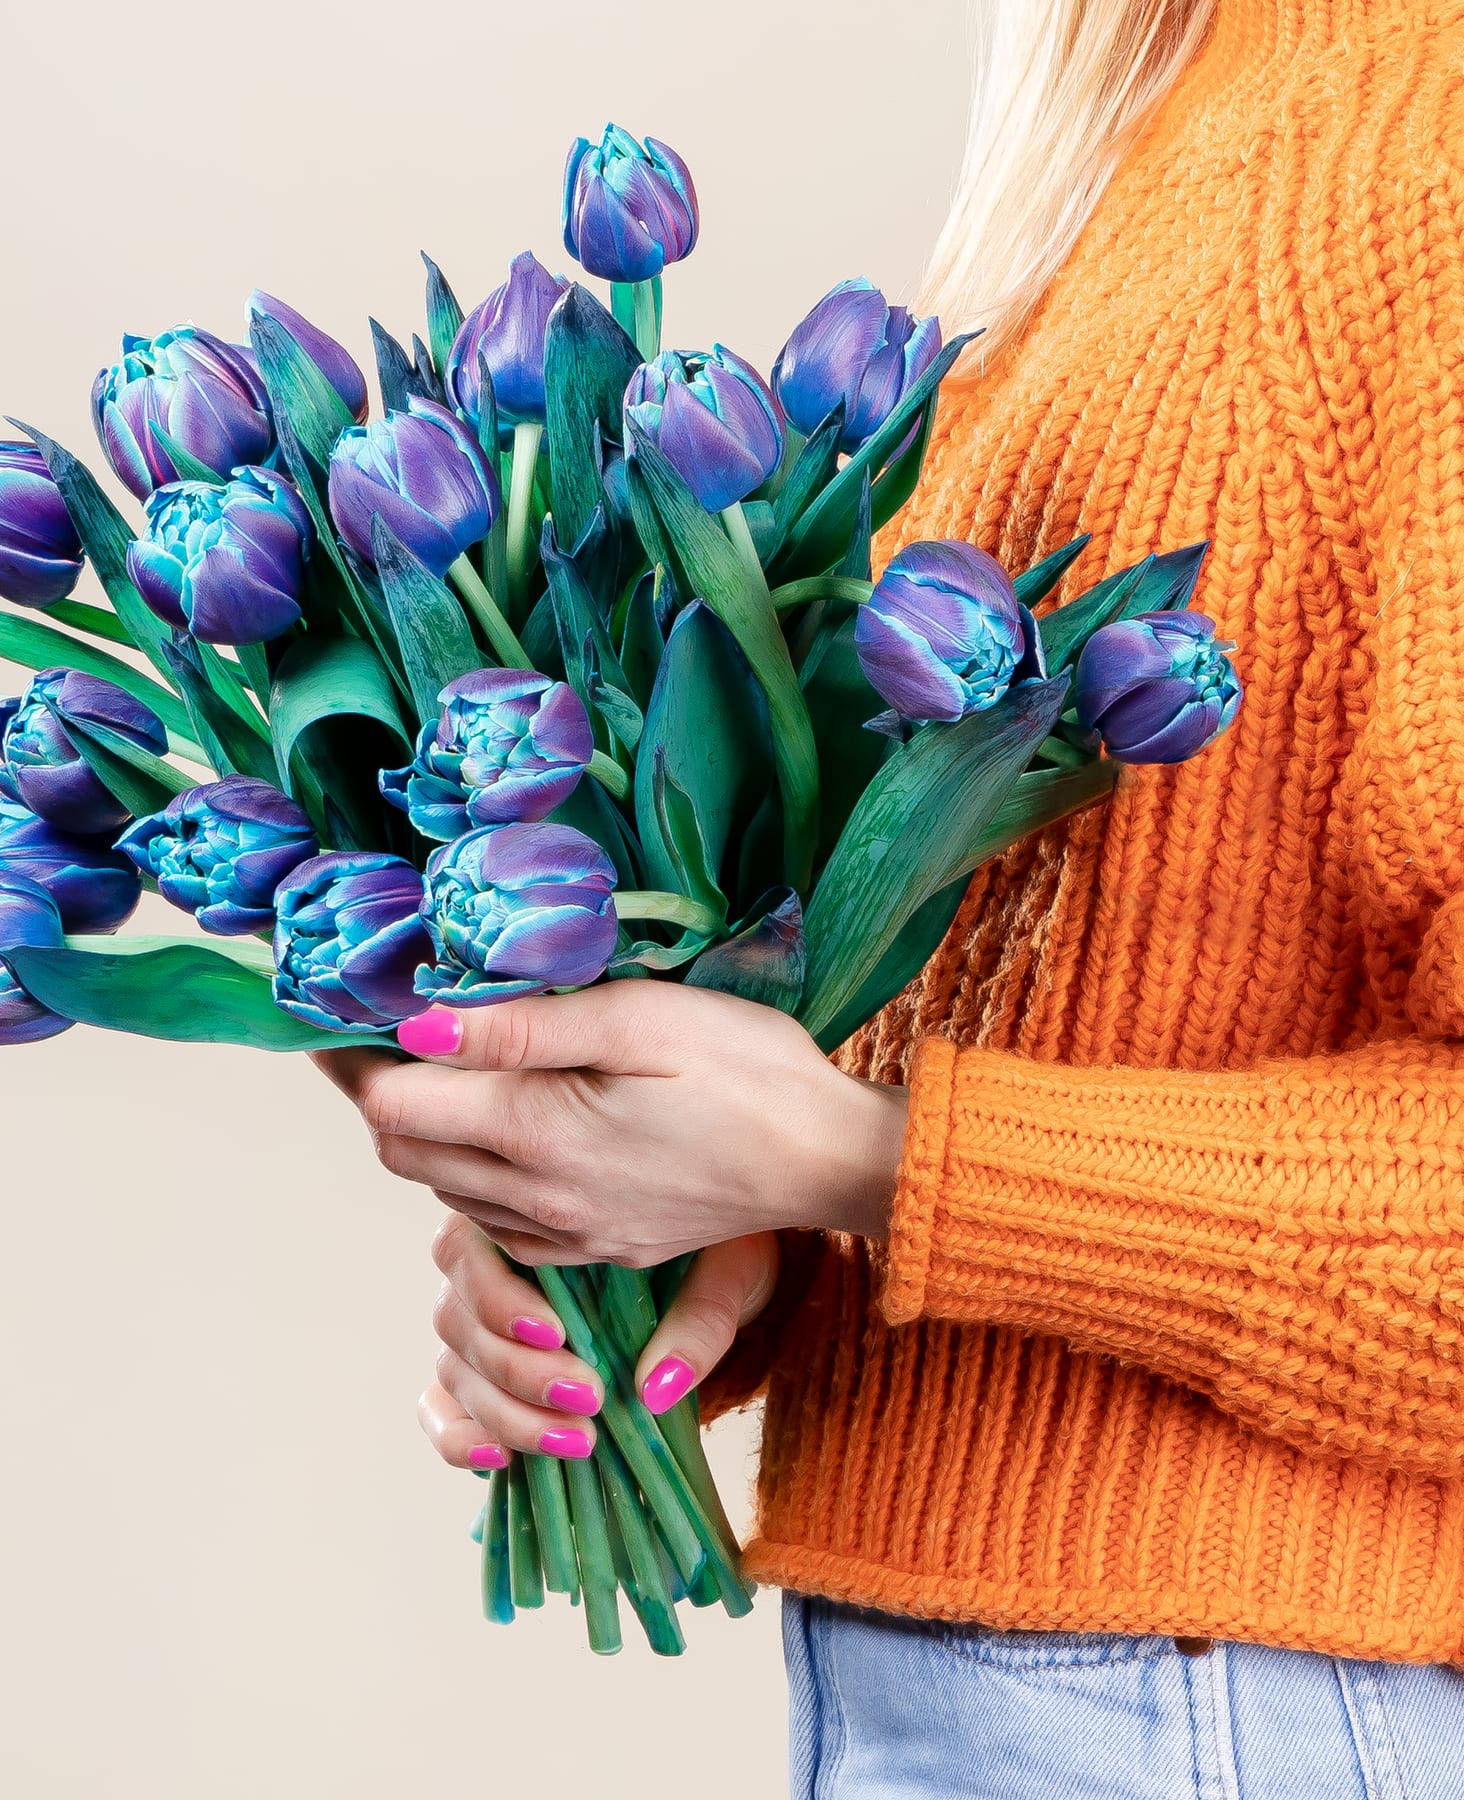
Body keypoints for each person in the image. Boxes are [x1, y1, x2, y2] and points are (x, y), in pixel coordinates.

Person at [318, 0, 1464, 1790]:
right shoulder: (1202, 99)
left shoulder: (1419, 144)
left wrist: (871, 1160)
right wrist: (703, 1219)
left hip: (1216, 1693)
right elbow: (1098, 978)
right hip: (1044, 1676)